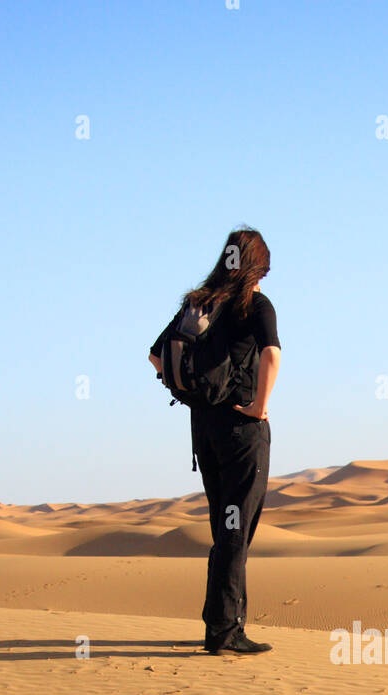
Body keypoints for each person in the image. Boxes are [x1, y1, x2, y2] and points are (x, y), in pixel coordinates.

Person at [149, 226, 281, 656]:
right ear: (256, 268)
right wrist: (259, 406)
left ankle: (222, 624)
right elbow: (272, 354)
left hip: (203, 434)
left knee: (224, 527)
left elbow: (156, 354)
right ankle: (225, 632)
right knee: (235, 530)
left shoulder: (199, 304)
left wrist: (190, 394)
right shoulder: (254, 305)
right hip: (242, 433)